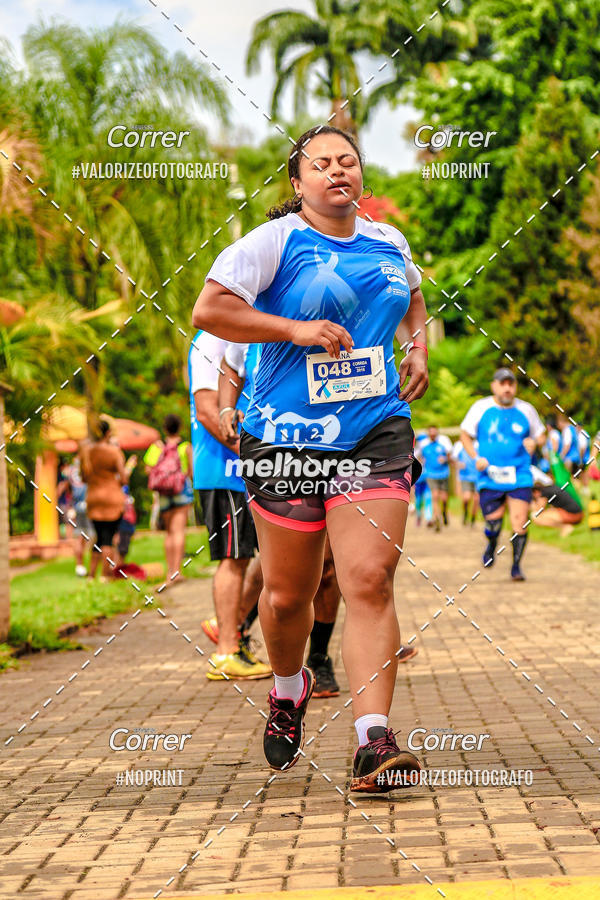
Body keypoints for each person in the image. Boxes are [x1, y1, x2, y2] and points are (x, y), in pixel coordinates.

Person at [193, 124, 428, 792]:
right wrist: (294, 330)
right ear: (298, 183)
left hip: (373, 429)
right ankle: (288, 689)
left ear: (361, 176)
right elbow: (209, 310)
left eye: (347, 161)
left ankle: (372, 742)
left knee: (368, 578)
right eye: (320, 164)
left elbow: (410, 295)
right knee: (288, 593)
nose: (336, 172)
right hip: (287, 439)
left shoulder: (388, 241)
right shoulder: (273, 243)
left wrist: (418, 348)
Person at [219, 340, 344, 697]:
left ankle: (319, 656)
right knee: (279, 569)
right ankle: (249, 634)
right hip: (274, 458)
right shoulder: (253, 323)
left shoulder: (330, 317)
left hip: (336, 447)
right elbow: (230, 367)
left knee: (329, 566)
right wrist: (228, 409)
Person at [189, 329, 272, 681]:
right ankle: (224, 651)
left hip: (252, 468)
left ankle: (230, 627)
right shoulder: (210, 341)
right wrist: (257, 458)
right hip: (225, 470)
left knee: (269, 559)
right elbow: (209, 412)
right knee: (233, 557)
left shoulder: (246, 335)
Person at [460, 368, 545, 581]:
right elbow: (465, 435)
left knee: (520, 522)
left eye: (511, 384)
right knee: (494, 524)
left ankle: (516, 567)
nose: (507, 388)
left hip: (520, 474)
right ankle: (491, 544)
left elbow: (542, 434)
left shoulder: (526, 410)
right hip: (490, 475)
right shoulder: (480, 408)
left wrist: (535, 442)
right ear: (494, 386)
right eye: (503, 384)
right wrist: (475, 457)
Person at [81, 419, 133, 580]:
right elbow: (124, 479)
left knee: (98, 537)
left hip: (94, 497)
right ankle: (106, 575)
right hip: (112, 498)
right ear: (108, 433)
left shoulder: (87, 452)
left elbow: (84, 477)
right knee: (108, 539)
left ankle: (91, 575)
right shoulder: (113, 452)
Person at [144, 415, 193, 586]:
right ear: (179, 427)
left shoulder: (157, 447)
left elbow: (148, 469)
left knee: (169, 533)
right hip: (181, 490)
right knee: (178, 531)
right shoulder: (185, 446)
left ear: (164, 428)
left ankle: (169, 572)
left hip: (163, 492)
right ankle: (177, 572)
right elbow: (192, 472)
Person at [530, 467, 583, 536]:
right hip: (578, 513)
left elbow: (539, 510)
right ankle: (565, 527)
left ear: (536, 492)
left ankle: (565, 527)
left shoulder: (544, 492)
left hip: (573, 515)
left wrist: (532, 503)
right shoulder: (551, 487)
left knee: (535, 516)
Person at [419, 426, 452, 530]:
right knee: (435, 496)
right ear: (428, 433)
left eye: (434, 432)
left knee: (444, 498)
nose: (432, 434)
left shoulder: (444, 442)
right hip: (430, 474)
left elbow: (450, 457)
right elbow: (420, 457)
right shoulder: (423, 444)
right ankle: (437, 518)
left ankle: (444, 512)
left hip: (443, 474)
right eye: (430, 432)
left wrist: (445, 459)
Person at [452, 438, 478, 525]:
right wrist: (458, 464)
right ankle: (465, 513)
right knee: (466, 498)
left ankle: (473, 519)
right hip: (465, 476)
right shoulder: (459, 445)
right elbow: (453, 460)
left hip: (478, 476)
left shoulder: (478, 443)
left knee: (476, 500)